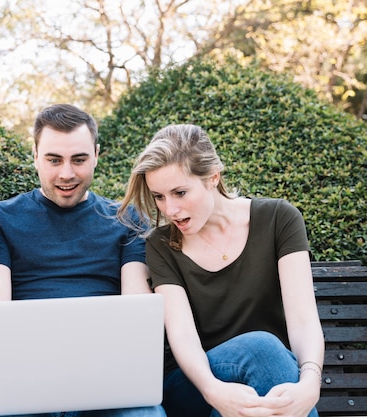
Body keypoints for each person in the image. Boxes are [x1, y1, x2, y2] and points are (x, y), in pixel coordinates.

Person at [117, 123, 324, 417]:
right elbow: (182, 337)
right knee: (262, 348)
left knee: (266, 365)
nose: (169, 210)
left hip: (271, 380)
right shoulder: (162, 245)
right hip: (195, 384)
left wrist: (310, 384)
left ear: (213, 176)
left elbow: (303, 319)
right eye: (159, 197)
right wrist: (214, 391)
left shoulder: (279, 219)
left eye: (179, 192)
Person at [0, 104, 166, 417]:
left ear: (97, 155)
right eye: (53, 160)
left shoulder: (128, 220)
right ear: (35, 155)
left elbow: (137, 308)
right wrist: (1, 376)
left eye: (79, 159)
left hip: (107, 377)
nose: (67, 173)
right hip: (21, 372)